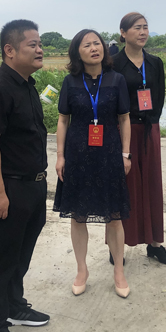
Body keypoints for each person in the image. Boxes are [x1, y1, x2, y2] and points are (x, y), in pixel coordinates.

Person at [0, 20, 50, 332]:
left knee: (21, 253)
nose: (40, 50)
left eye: (40, 44)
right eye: (33, 44)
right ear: (10, 50)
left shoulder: (27, 85)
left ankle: (14, 305)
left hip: (33, 186)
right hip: (9, 188)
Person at [54, 29, 132, 298]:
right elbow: (63, 120)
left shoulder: (117, 79)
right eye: (86, 45)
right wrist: (60, 156)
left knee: (114, 216)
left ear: (103, 48)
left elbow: (124, 118)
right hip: (77, 155)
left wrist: (125, 154)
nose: (93, 48)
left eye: (97, 43)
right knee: (78, 216)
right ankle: (81, 270)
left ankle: (119, 271)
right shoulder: (70, 81)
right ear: (78, 52)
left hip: (109, 153)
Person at [112, 12, 166, 265]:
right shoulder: (113, 63)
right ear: (123, 32)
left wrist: (152, 122)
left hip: (149, 129)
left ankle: (154, 243)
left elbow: (158, 97)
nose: (143, 32)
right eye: (137, 28)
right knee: (124, 186)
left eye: (145, 27)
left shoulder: (155, 62)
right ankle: (116, 246)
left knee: (151, 184)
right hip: (123, 130)